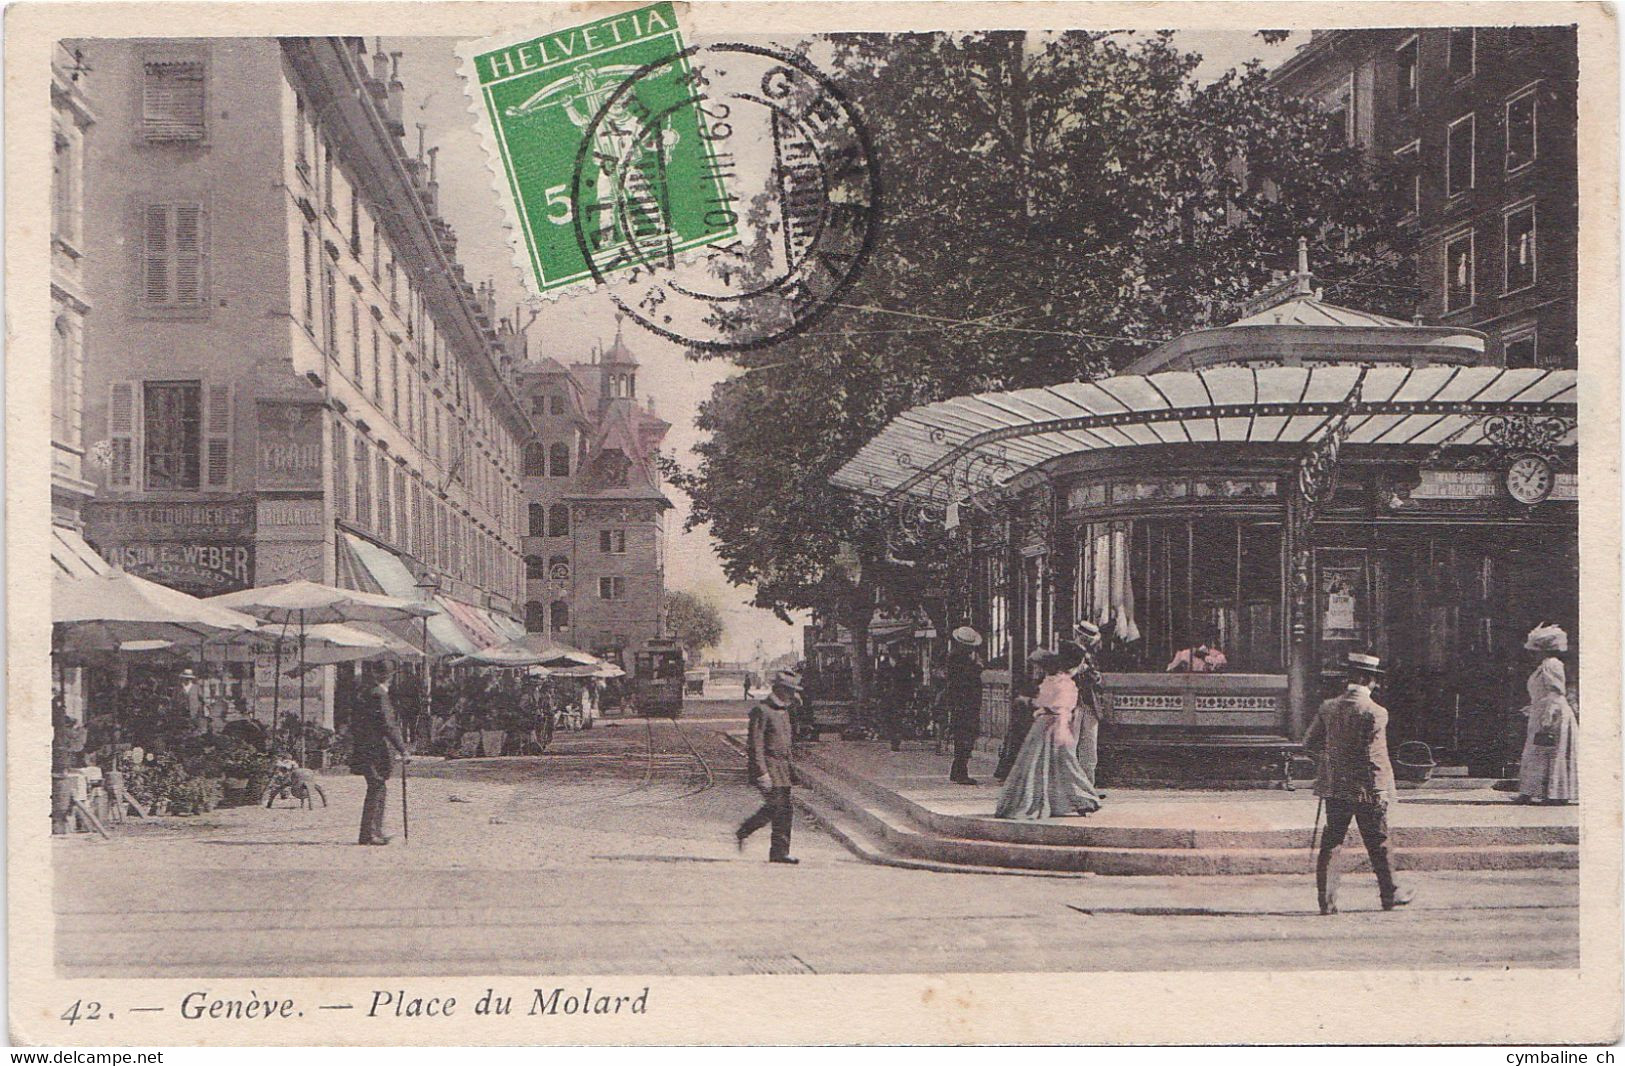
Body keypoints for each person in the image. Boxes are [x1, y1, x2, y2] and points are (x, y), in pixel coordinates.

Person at [1303, 652, 1413, 915]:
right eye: (1373, 679)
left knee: (1332, 841)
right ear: (1368, 680)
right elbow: (1375, 756)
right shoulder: (1375, 712)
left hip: (1335, 788)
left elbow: (1309, 744)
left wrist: (1329, 763)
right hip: (1367, 790)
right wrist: (1381, 790)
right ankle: (1390, 894)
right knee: (1378, 841)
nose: (1375, 684)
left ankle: (1326, 902)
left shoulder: (1328, 707)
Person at [995, 644, 1103, 820]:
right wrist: (1062, 730)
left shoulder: (1054, 681)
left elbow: (1047, 704)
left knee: (1040, 766)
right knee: (1064, 764)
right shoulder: (1064, 683)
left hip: (1045, 725)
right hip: (1052, 725)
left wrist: (1030, 702)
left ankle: (1072, 799)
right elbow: (1058, 708)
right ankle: (1083, 799)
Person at [736, 671, 802, 864]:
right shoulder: (762, 711)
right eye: (790, 691)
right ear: (780, 690)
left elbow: (787, 744)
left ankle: (779, 852)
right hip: (768, 768)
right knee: (778, 806)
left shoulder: (784, 711)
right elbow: (755, 745)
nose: (793, 695)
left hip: (782, 769)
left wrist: (792, 771)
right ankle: (747, 831)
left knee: (784, 809)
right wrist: (762, 772)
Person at [1515, 624, 1578, 805]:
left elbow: (1555, 692)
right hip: (1542, 710)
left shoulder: (1552, 664)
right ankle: (1531, 791)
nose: (1531, 654)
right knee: (1537, 751)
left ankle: (1555, 794)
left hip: (1554, 712)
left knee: (1550, 751)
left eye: (1535, 651)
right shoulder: (1543, 666)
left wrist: (1548, 716)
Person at [350, 660, 409, 846]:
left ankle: (373, 831)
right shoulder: (379, 695)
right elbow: (388, 725)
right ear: (390, 677)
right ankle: (369, 834)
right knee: (377, 786)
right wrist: (403, 749)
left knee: (377, 786)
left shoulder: (365, 693)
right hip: (375, 749)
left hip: (364, 747)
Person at [1064, 621, 1108, 787]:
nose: (1086, 641)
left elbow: (1098, 679)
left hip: (1089, 704)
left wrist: (1095, 676)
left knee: (1089, 750)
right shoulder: (1068, 651)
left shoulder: (1091, 656)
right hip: (1072, 704)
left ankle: (1088, 788)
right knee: (1071, 746)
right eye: (1084, 637)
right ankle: (1071, 789)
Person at [994, 648, 1048, 783]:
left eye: (1038, 666)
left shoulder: (1047, 681)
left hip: (1039, 717)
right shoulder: (1032, 681)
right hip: (1027, 717)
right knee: (1015, 732)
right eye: (1034, 666)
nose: (1035, 669)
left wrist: (1028, 701)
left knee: (1019, 733)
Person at [941, 627, 985, 785]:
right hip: (964, 703)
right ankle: (961, 771)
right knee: (965, 736)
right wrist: (978, 666)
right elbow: (966, 679)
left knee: (963, 736)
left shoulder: (957, 656)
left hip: (960, 702)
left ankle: (957, 770)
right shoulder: (960, 659)